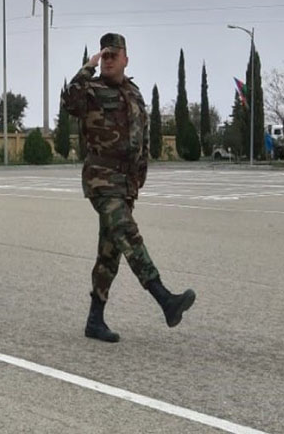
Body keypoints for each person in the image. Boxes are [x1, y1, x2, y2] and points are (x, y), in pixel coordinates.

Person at [62, 33, 195, 343]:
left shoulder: (134, 93)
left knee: (109, 253)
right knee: (127, 234)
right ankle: (165, 299)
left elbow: (143, 137)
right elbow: (69, 102)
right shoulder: (90, 90)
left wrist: (139, 178)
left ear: (125, 58)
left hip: (125, 184)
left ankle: (95, 320)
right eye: (104, 54)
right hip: (101, 179)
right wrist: (86, 68)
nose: (107, 59)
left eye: (113, 54)